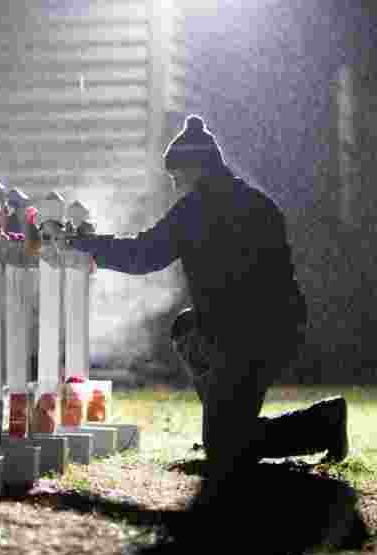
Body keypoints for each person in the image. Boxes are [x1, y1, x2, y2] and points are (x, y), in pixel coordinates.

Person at [68, 115, 348, 503]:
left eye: (176, 177)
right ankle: (229, 418)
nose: (174, 186)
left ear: (194, 169)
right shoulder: (256, 201)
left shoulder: (198, 208)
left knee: (226, 450)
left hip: (247, 338)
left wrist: (87, 245)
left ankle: (321, 424)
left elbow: (143, 254)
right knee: (187, 330)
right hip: (277, 329)